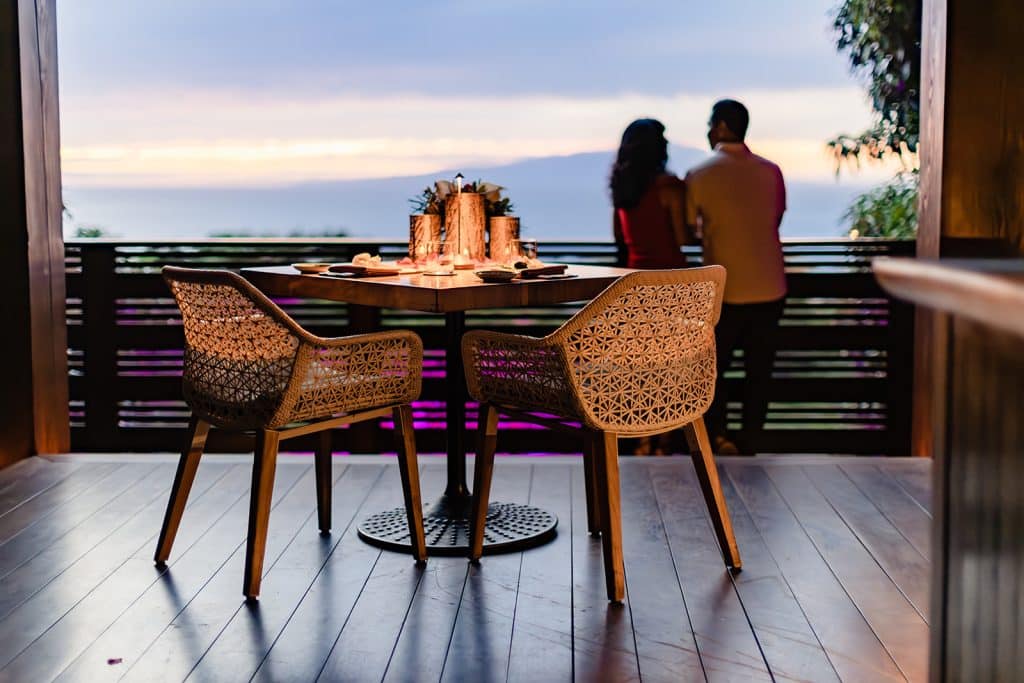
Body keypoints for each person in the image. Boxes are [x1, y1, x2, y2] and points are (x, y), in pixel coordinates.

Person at [685, 99, 787, 455]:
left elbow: (689, 228)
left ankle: (717, 439)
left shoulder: (699, 175)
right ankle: (751, 442)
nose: (709, 130)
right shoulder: (771, 171)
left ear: (724, 127)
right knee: (760, 372)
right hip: (771, 286)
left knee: (715, 370)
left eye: (712, 123)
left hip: (723, 290)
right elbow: (775, 219)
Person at [610, 118, 688, 270]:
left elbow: (618, 235)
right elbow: (682, 238)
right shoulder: (669, 187)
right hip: (671, 275)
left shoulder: (622, 187)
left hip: (634, 275)